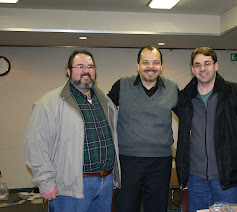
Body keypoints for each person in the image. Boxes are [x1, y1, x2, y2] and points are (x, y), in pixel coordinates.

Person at [24, 50, 120, 212]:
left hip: (105, 182)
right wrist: (45, 182)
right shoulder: (48, 103)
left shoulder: (106, 102)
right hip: (71, 185)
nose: (86, 70)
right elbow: (35, 145)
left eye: (90, 66)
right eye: (79, 66)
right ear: (69, 72)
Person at [175, 47, 237, 212]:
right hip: (195, 179)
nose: (202, 69)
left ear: (216, 66)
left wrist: (232, 146)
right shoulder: (185, 97)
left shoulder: (233, 92)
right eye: (197, 65)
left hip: (227, 176)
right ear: (192, 69)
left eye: (207, 63)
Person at [108, 46, 178, 212]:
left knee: (157, 208)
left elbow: (189, 117)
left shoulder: (172, 88)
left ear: (161, 66)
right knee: (125, 207)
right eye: (145, 62)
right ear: (138, 65)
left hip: (160, 161)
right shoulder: (122, 85)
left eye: (155, 62)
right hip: (128, 160)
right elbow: (105, 113)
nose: (150, 67)